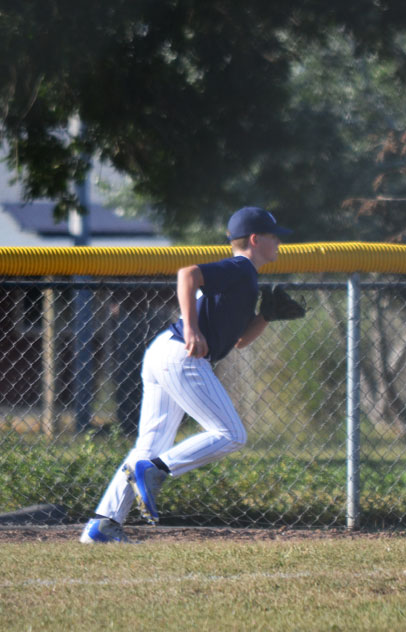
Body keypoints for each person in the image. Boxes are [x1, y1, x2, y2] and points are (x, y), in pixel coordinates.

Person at [81, 206, 293, 543]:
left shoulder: (245, 279)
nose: (279, 242)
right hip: (182, 353)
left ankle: (103, 524)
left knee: (150, 444)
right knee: (231, 434)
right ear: (255, 239)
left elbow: (239, 341)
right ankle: (156, 470)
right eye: (273, 236)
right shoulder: (240, 268)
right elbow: (187, 274)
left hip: (164, 352)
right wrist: (192, 329)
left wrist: (265, 316)